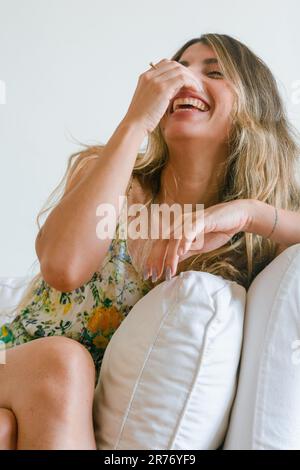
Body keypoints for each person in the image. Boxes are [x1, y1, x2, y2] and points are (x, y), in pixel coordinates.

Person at [1, 33, 300, 450]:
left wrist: (249, 213)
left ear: (255, 106)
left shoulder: (248, 233)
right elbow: (63, 268)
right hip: (15, 361)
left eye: (213, 71)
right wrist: (134, 121)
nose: (183, 79)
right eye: (177, 68)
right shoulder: (113, 179)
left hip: (53, 412)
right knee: (60, 361)